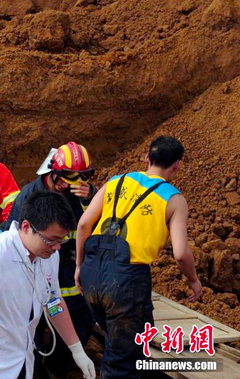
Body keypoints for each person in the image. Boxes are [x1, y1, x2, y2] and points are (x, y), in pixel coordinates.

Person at [75, 135, 203, 379]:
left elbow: (83, 225)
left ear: (147, 158)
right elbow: (181, 253)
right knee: (123, 361)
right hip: (127, 283)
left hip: (93, 271)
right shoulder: (174, 199)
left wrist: (80, 266)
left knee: (128, 347)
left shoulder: (116, 181)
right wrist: (193, 281)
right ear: (177, 165)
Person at [0, 191, 95, 379]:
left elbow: (53, 302)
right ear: (26, 227)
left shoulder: (48, 256)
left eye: (61, 240)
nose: (57, 247)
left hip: (21, 362)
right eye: (51, 240)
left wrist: (76, 349)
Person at [1, 141, 96, 376]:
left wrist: (90, 197)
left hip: (68, 266)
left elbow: (95, 224)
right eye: (68, 178)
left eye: (82, 178)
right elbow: (16, 242)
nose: (72, 185)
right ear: (54, 173)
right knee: (34, 320)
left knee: (77, 318)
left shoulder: (79, 192)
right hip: (35, 268)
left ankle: (59, 364)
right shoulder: (31, 197)